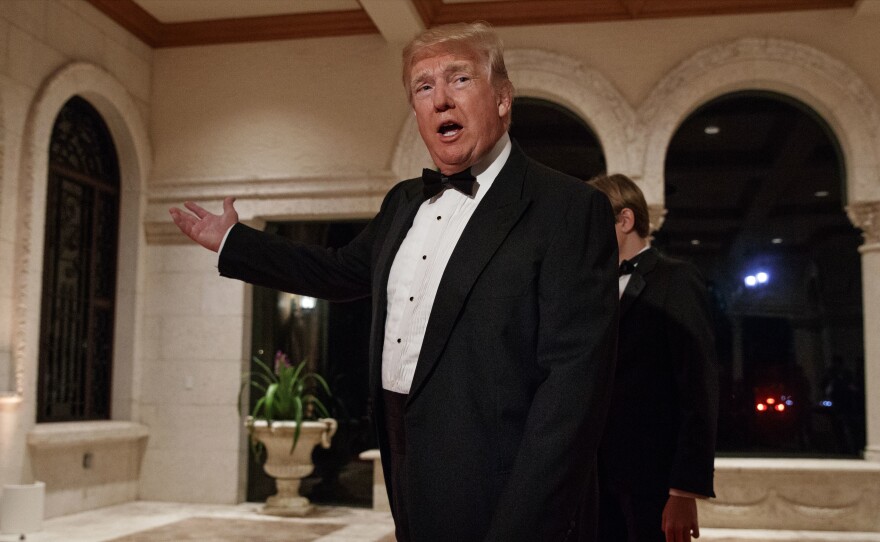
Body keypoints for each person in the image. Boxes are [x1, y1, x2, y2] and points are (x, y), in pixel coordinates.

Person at [170, 22, 619, 542]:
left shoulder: (567, 208)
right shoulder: (404, 201)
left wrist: (529, 524)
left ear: (502, 98)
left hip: (503, 478)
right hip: (404, 448)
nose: (441, 100)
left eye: (459, 79)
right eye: (424, 87)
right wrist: (235, 243)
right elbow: (340, 271)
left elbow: (573, 390)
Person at [587, 174, 718, 542]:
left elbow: (698, 386)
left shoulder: (676, 279)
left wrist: (683, 491)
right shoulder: (590, 288)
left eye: (591, 223)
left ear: (625, 221)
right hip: (595, 478)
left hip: (653, 479)